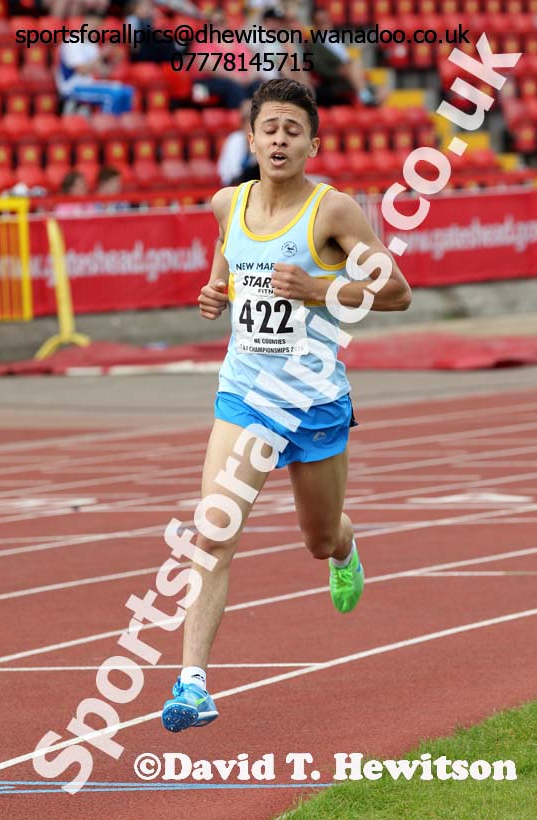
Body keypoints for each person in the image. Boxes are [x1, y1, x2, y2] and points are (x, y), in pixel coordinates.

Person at [161, 79, 411, 732]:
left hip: (312, 400)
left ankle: (345, 546)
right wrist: (214, 292)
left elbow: (396, 291)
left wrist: (320, 287)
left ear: (311, 144)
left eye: (292, 130)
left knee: (317, 536)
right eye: (269, 127)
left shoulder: (333, 213)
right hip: (244, 392)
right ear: (250, 139)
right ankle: (192, 684)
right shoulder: (226, 203)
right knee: (212, 529)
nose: (279, 139)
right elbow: (228, 265)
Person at [55, 14, 134, 115]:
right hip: (72, 87)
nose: (95, 31)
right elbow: (82, 70)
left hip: (89, 84)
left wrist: (115, 62)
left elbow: (103, 73)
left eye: (97, 28)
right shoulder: (72, 42)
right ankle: (107, 127)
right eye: (93, 27)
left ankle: (120, 127)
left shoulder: (91, 45)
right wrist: (101, 55)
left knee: (126, 92)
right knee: (112, 95)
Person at [217, 100, 260, 186]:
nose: (250, 129)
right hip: (232, 183)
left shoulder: (258, 140)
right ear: (243, 125)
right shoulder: (235, 139)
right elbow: (235, 171)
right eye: (248, 125)